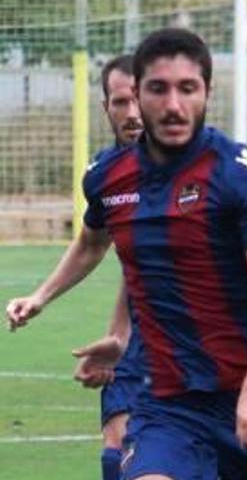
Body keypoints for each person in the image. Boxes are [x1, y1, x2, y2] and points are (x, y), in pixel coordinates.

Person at [8, 27, 247, 480]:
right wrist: (56, 302)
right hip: (168, 405)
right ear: (138, 93)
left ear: (207, 92)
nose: (173, 105)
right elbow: (96, 243)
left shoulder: (236, 174)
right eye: (158, 89)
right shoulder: (107, 179)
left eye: (187, 88)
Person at [5, 54, 145, 480]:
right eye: (120, 102)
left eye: (140, 98)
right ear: (106, 107)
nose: (133, 113)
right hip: (143, 331)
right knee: (116, 452)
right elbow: (93, 245)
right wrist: (40, 297)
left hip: (205, 335)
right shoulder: (105, 175)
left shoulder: (197, 169)